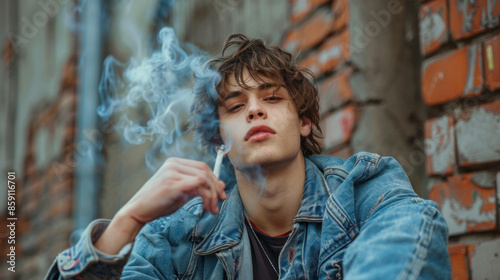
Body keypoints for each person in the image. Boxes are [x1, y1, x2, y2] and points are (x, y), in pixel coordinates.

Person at [45, 34, 451, 280]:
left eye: (272, 98)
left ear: (304, 121)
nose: (255, 110)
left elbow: (407, 243)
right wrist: (129, 219)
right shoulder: (175, 235)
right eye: (235, 107)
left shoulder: (365, 187)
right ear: (219, 139)